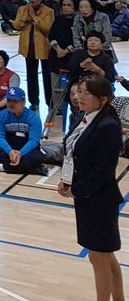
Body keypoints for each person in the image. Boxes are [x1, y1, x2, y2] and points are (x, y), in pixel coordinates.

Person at [60, 75, 125, 301]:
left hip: (100, 199)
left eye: (86, 93)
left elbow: (104, 169)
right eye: (79, 91)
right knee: (103, 255)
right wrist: (66, 180)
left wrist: (78, 189)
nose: (79, 97)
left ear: (103, 99)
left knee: (99, 257)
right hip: (86, 196)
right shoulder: (85, 116)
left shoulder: (107, 126)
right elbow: (73, 153)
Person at [0, 86, 45, 175]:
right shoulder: (1, 116)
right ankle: (32, 169)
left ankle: (1, 168)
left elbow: (34, 140)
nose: (11, 104)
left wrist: (20, 154)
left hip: (27, 150)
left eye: (15, 101)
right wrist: (10, 151)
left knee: (38, 157)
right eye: (9, 100)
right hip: (10, 148)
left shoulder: (34, 118)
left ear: (23, 102)